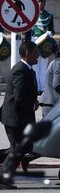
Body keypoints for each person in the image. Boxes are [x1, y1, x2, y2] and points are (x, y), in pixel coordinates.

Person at [0, 41, 39, 185]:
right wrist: (30, 103)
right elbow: (19, 97)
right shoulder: (20, 70)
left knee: (21, 149)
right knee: (17, 150)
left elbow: (27, 91)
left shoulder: (28, 69)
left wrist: (35, 100)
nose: (38, 56)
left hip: (21, 117)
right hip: (15, 118)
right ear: (28, 54)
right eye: (36, 53)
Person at [30, 0, 55, 94]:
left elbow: (53, 30)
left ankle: (43, 88)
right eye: (39, 1)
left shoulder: (49, 15)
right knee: (35, 66)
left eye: (42, 1)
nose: (41, 3)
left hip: (44, 43)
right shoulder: (31, 14)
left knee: (43, 66)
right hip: (34, 41)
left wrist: (49, 33)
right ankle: (35, 87)